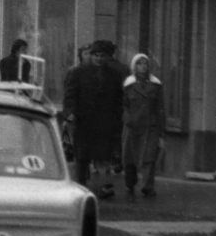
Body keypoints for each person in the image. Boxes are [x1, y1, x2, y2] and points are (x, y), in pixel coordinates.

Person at [62, 40, 123, 198]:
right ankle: (80, 187)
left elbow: (118, 100)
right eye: (96, 55)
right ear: (91, 56)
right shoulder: (79, 73)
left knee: (103, 157)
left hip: (104, 123)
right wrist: (69, 112)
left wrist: (117, 119)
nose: (99, 59)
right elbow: (70, 95)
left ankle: (105, 186)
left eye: (102, 56)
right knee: (82, 158)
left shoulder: (115, 75)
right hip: (84, 122)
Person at [122, 53, 165, 198]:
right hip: (133, 126)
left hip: (150, 126)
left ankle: (147, 185)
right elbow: (123, 105)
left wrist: (161, 131)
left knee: (149, 157)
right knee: (131, 157)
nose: (143, 66)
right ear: (134, 66)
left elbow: (160, 108)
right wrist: (128, 119)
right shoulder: (128, 85)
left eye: (145, 64)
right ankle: (130, 181)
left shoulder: (155, 85)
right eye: (139, 64)